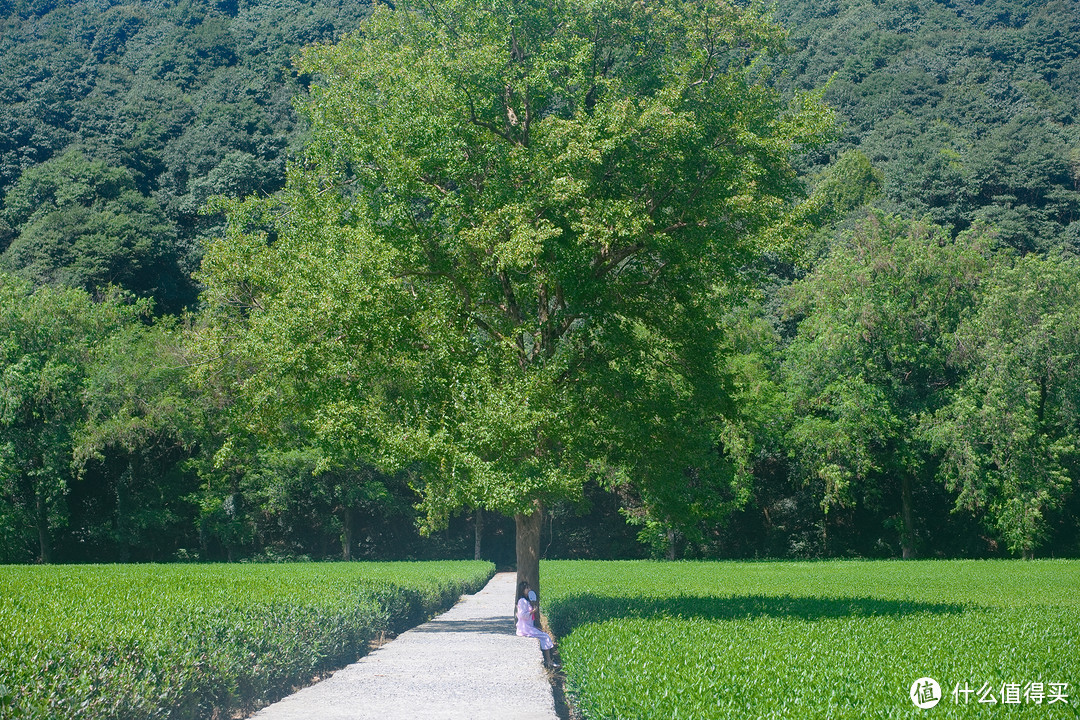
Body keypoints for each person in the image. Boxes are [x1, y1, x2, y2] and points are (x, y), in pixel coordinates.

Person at [515, 580, 559, 668]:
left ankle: (549, 660)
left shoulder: (525, 601)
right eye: (527, 588)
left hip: (528, 626)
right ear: (522, 590)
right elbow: (522, 615)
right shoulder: (522, 601)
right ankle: (549, 661)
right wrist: (532, 612)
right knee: (545, 636)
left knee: (544, 636)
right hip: (525, 628)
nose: (529, 589)